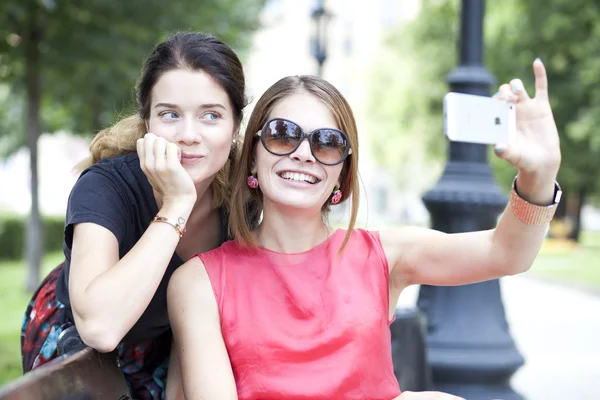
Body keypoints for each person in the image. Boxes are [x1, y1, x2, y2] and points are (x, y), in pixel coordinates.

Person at [168, 58, 562, 400]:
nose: (303, 153)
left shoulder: (385, 256)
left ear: (343, 171)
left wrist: (539, 175)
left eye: (327, 143)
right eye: (282, 135)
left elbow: (507, 252)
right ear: (253, 155)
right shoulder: (198, 283)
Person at [20, 31, 249, 400]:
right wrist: (176, 206)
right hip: (78, 342)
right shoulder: (106, 186)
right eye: (170, 114)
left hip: (166, 344)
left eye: (211, 115)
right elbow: (99, 327)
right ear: (147, 122)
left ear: (236, 126)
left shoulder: (244, 200)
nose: (188, 135)